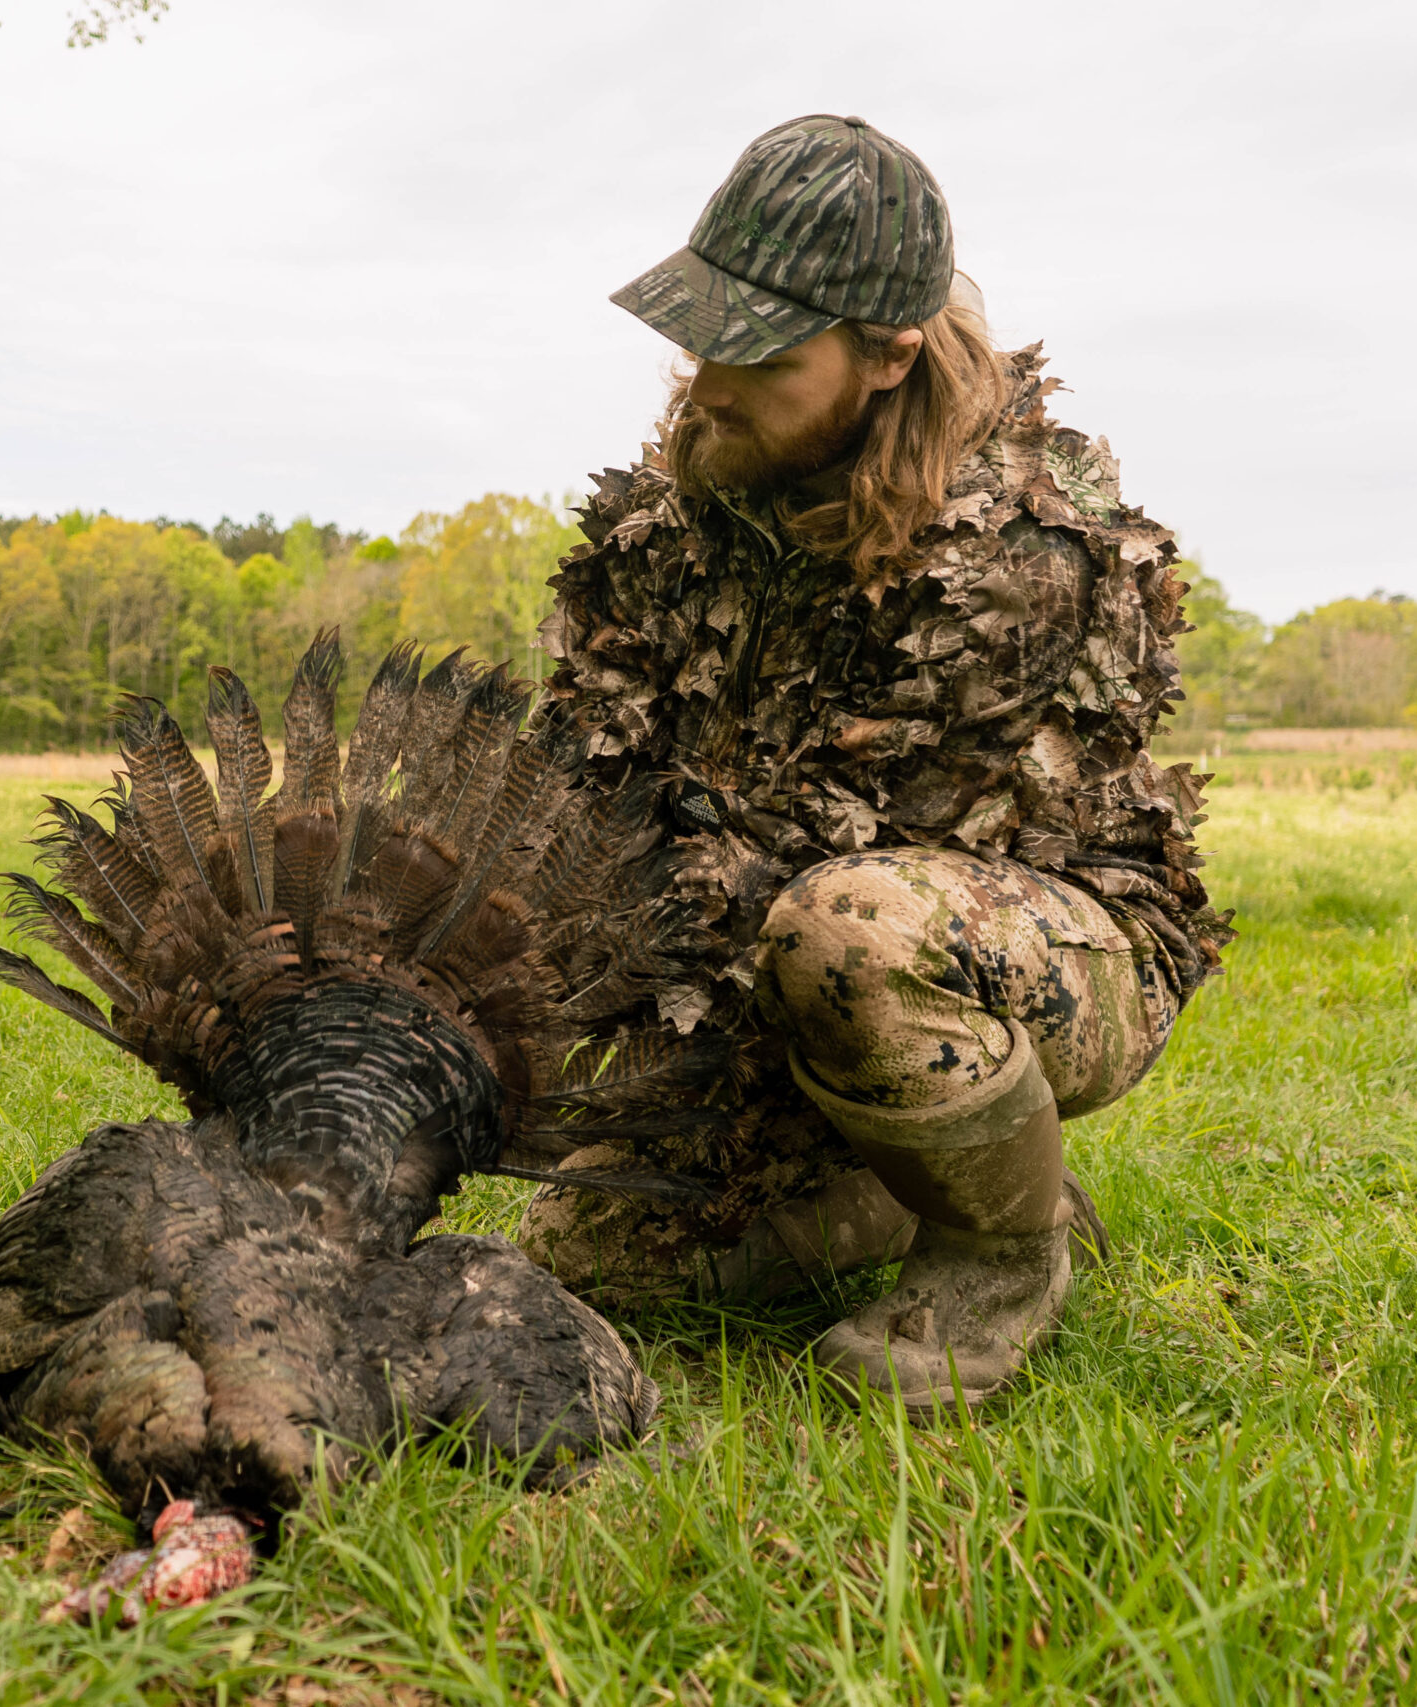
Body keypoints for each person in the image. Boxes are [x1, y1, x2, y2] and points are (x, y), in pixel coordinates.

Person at [515, 114, 1233, 1413]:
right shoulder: (684, 506)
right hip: (774, 927)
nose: (708, 385)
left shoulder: (1015, 548)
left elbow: (819, 852)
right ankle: (899, 1178)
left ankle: (1001, 1251)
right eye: (701, 339)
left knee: (846, 930)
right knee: (586, 1254)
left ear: (890, 354)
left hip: (1030, 938)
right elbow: (589, 775)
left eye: (761, 355)